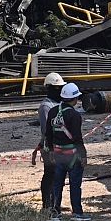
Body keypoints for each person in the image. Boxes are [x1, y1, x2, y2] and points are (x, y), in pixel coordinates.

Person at [45, 82, 90, 221]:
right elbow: (77, 138)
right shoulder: (74, 116)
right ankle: (77, 212)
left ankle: (54, 211)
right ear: (75, 99)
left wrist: (51, 151)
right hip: (73, 156)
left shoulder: (52, 112)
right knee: (75, 185)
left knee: (57, 184)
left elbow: (48, 134)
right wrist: (83, 155)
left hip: (58, 154)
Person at [34, 72, 66, 211]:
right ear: (49, 88)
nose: (59, 91)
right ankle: (47, 204)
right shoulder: (46, 106)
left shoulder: (60, 103)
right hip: (50, 146)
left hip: (62, 144)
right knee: (50, 174)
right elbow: (47, 129)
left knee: (59, 176)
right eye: (56, 88)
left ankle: (56, 203)